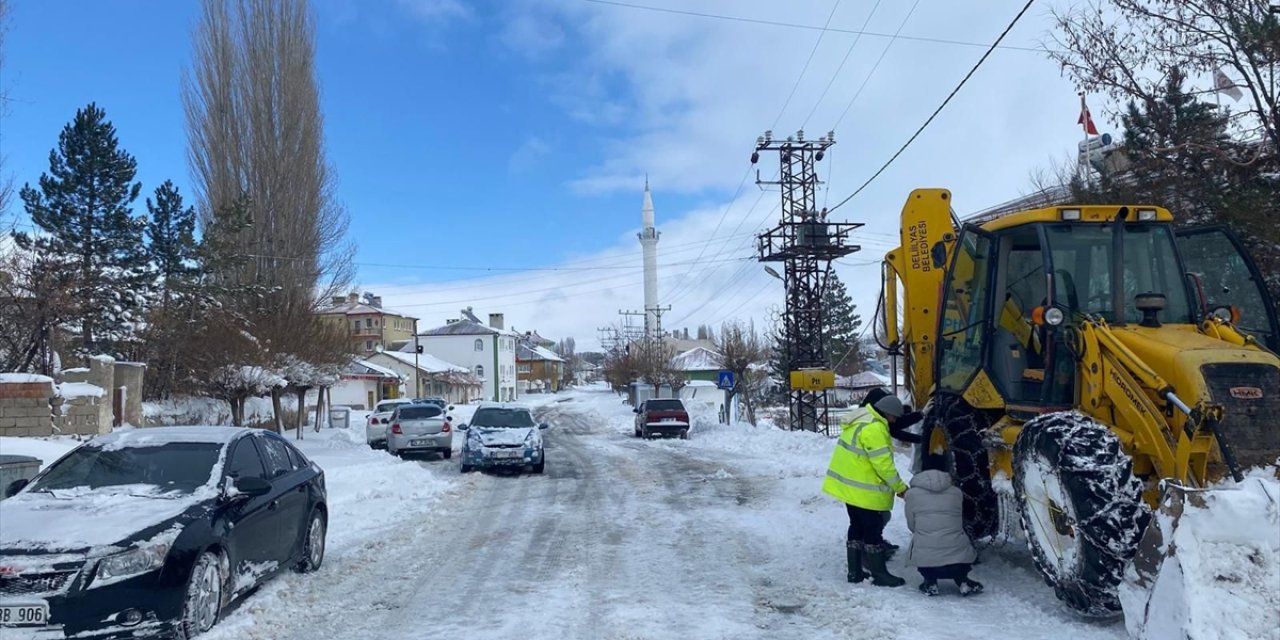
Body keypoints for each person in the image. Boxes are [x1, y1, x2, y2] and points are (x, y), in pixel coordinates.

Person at [822, 393, 910, 587]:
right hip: (864, 490)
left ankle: (854, 572)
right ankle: (879, 574)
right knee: (873, 529)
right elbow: (883, 464)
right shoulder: (875, 428)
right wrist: (900, 487)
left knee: (856, 526)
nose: (894, 421)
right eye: (894, 417)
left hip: (849, 488)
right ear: (887, 413)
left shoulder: (861, 418)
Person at [904, 456, 984, 596]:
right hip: (959, 559)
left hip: (928, 560)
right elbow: (959, 520)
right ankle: (962, 580)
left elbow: (912, 526)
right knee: (958, 540)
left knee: (921, 543)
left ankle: (930, 581)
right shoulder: (956, 493)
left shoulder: (911, 495)